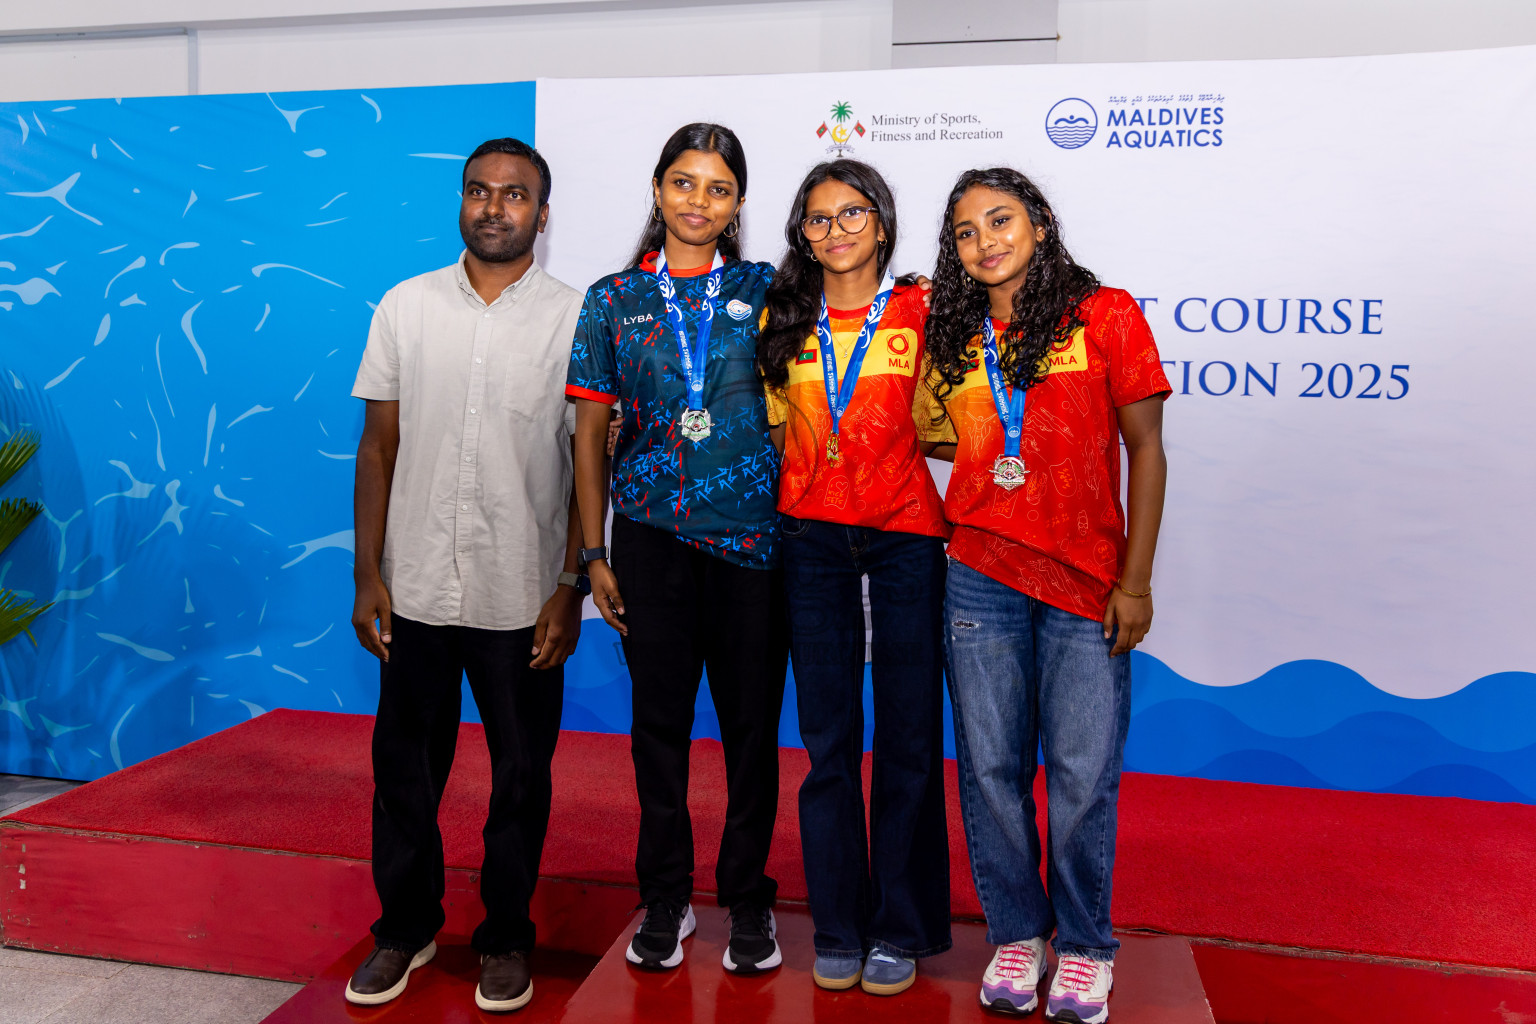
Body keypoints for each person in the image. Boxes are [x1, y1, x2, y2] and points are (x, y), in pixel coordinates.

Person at [924, 167, 1169, 1024]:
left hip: (1085, 581)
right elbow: (933, 436)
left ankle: (1087, 946)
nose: (985, 241)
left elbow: (1147, 450)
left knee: (1081, 774)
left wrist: (1135, 581)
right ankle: (1018, 935)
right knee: (990, 769)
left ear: (1039, 223)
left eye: (1001, 220)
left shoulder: (1106, 315)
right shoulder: (951, 333)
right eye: (965, 232)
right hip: (978, 574)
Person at [347, 137, 587, 1014]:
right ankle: (404, 930)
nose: (494, 207)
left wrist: (570, 586)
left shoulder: (578, 319)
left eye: (514, 194)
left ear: (542, 215)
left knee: (521, 777)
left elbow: (588, 467)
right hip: (413, 588)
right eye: (479, 191)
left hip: (523, 595)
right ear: (461, 201)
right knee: (403, 773)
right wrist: (367, 575)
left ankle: (507, 937)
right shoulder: (404, 307)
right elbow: (378, 448)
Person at [565, 123, 787, 976]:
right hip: (650, 543)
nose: (700, 200)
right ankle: (665, 895)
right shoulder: (612, 300)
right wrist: (593, 555)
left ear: (738, 203)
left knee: (750, 731)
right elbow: (589, 437)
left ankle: (747, 897)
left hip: (753, 546)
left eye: (718, 187)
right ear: (658, 190)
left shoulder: (767, 290)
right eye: (684, 182)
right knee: (657, 729)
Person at [757, 159, 952, 997]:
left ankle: (900, 927)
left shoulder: (922, 309)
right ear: (802, 234)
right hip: (811, 540)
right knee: (828, 741)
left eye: (852, 213)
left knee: (908, 736)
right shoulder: (783, 317)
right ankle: (838, 924)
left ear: (882, 222)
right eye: (818, 218)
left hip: (906, 538)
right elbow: (777, 431)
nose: (834, 230)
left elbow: (946, 425)